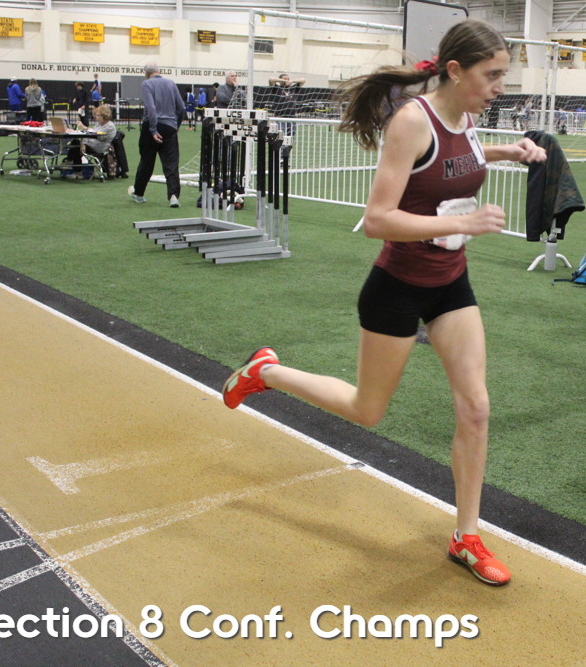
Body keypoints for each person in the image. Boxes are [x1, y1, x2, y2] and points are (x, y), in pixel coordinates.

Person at [221, 19, 546, 586]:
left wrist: (508, 151)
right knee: (366, 409)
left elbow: (458, 156)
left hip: (451, 284)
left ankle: (466, 536)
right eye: (492, 75)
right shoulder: (411, 121)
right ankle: (266, 372)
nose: (500, 87)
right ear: (455, 70)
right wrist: (465, 222)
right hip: (396, 286)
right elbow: (377, 219)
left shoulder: (467, 118)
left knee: (476, 407)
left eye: (503, 75)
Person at [129, 63, 186, 207]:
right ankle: (173, 196)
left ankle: (139, 194)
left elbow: (151, 108)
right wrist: (176, 126)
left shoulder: (146, 84)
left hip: (151, 127)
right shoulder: (171, 83)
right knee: (171, 163)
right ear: (158, 71)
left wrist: (153, 130)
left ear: (146, 73)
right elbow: (181, 108)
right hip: (170, 126)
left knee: (147, 161)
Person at [63, 104, 116, 177]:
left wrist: (84, 142)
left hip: (100, 147)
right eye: (96, 115)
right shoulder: (99, 124)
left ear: (105, 116)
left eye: (98, 115)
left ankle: (75, 170)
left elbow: (99, 137)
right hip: (91, 144)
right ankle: (70, 162)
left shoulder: (110, 126)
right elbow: (92, 133)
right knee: (76, 142)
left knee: (76, 146)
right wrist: (83, 142)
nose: (96, 117)